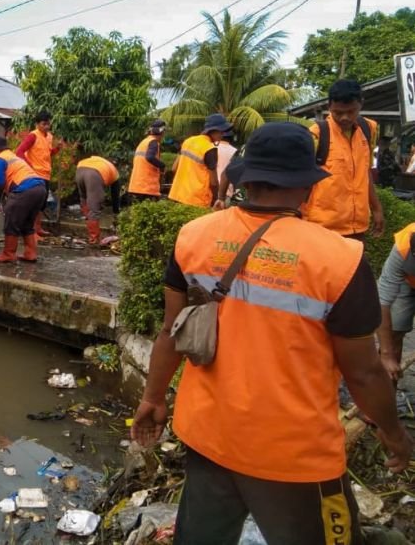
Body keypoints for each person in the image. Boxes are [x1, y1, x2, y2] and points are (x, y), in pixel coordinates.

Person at [131, 122, 412, 545]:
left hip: (208, 435)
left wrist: (153, 398)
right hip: (295, 455)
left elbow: (171, 331)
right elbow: (366, 373)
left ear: (245, 177)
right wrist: (394, 434)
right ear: (308, 186)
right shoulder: (340, 259)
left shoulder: (193, 236)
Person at [305, 79, 384, 240]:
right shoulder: (316, 135)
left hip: (357, 228)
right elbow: (298, 179)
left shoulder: (369, 129)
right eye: (338, 112)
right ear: (329, 107)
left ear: (361, 104)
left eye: (351, 111)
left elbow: (365, 172)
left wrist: (376, 208)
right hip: (322, 229)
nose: (345, 118)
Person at [0, 136, 47, 263]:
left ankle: (8, 253)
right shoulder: (13, 157)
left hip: (24, 190)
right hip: (40, 188)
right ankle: (30, 253)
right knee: (27, 223)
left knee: (11, 220)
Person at [376, 222, 415, 384]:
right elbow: (382, 301)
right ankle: (385, 397)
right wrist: (386, 354)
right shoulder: (403, 247)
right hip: (408, 280)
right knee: (392, 332)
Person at [168, 113, 230, 208]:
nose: (222, 135)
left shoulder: (188, 141)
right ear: (214, 131)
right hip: (197, 201)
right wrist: (218, 198)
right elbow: (213, 182)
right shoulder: (209, 149)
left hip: (177, 196)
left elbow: (174, 168)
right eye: (221, 132)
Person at [16, 110, 60, 236]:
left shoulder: (49, 137)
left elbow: (48, 153)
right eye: (43, 124)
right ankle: (31, 230)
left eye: (48, 124)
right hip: (35, 176)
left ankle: (37, 228)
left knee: (42, 203)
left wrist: (57, 149)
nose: (46, 126)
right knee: (34, 203)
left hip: (46, 174)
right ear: (37, 124)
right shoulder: (33, 136)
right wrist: (29, 167)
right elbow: (19, 152)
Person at [75, 155, 120, 244]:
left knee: (84, 200)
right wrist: (116, 212)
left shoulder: (100, 161)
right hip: (93, 175)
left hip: (79, 170)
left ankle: (90, 233)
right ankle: (94, 239)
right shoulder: (114, 172)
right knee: (94, 208)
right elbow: (115, 195)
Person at [128, 119, 167, 201]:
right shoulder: (153, 142)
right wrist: (162, 166)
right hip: (147, 187)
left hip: (136, 185)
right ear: (162, 132)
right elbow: (149, 157)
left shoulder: (144, 142)